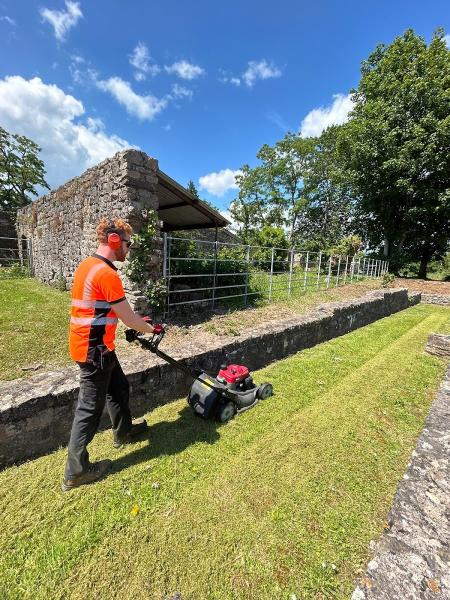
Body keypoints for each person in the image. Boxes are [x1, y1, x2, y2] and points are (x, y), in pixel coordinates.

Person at [61, 217, 163, 492]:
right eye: (128, 244)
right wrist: (150, 328)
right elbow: (129, 319)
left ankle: (123, 432)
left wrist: (135, 321)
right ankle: (76, 470)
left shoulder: (88, 265)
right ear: (115, 241)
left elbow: (107, 310)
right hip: (94, 351)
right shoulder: (107, 273)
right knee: (89, 409)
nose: (128, 250)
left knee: (118, 388)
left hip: (98, 346)